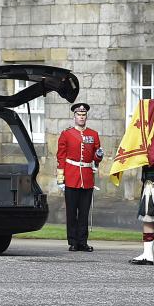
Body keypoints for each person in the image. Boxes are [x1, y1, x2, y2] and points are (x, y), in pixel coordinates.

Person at [56, 102, 102, 252]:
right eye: (79, 115)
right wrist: (60, 178)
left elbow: (96, 156)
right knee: (71, 212)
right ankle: (73, 241)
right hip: (71, 175)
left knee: (84, 212)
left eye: (83, 115)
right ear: (74, 116)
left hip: (87, 178)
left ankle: (83, 241)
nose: (81, 117)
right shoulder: (67, 134)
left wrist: (98, 156)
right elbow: (61, 157)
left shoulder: (93, 134)